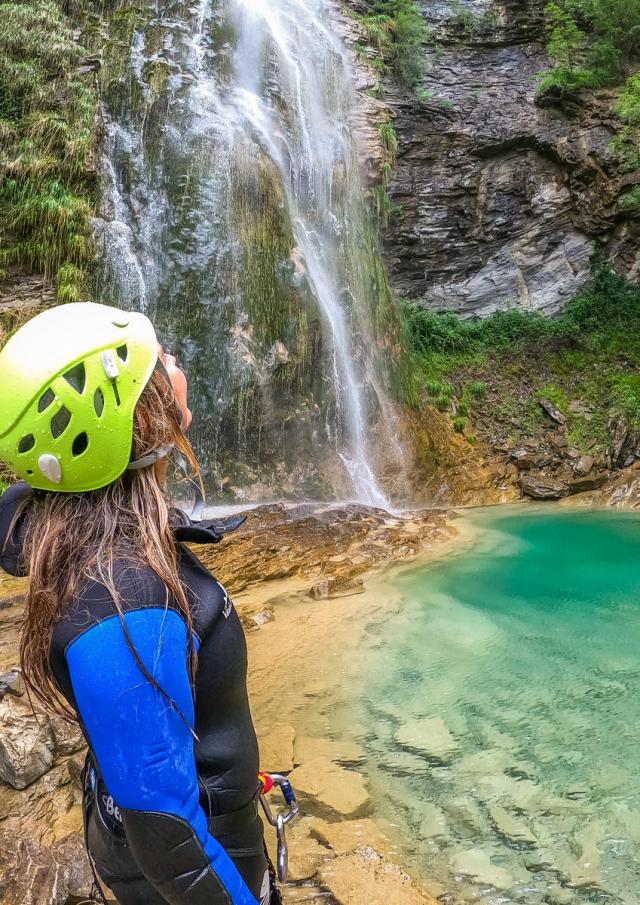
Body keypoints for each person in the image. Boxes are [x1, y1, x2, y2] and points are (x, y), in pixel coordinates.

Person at [0, 302, 278, 905]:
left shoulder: (66, 520)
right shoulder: (124, 600)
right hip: (190, 864)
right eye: (161, 363)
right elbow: (169, 841)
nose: (173, 362)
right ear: (134, 424)